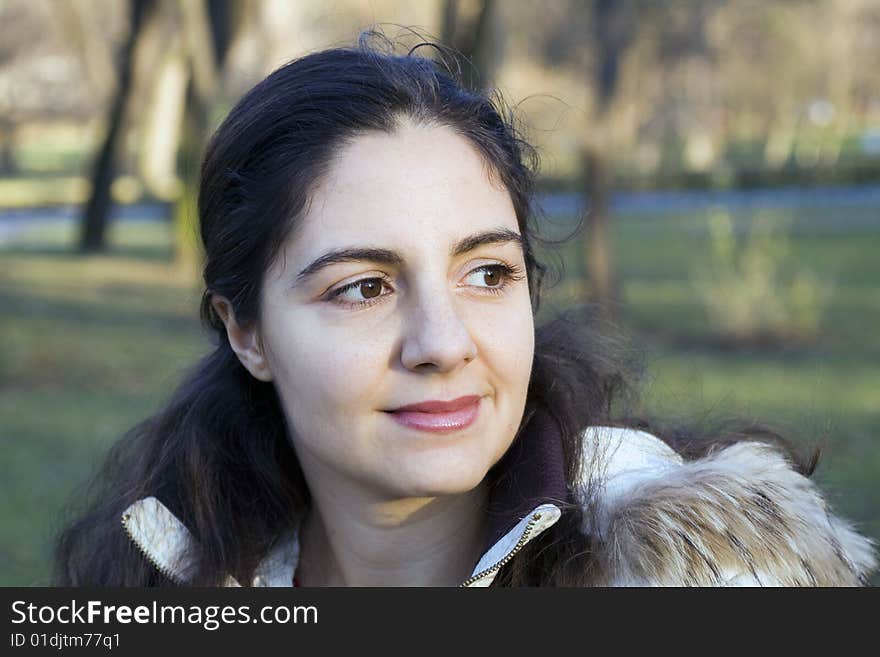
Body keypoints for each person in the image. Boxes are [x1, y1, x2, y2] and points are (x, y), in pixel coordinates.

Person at [55, 34, 877, 587]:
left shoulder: (702, 574)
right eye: (364, 287)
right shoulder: (168, 577)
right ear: (246, 331)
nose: (443, 344)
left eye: (487, 272)